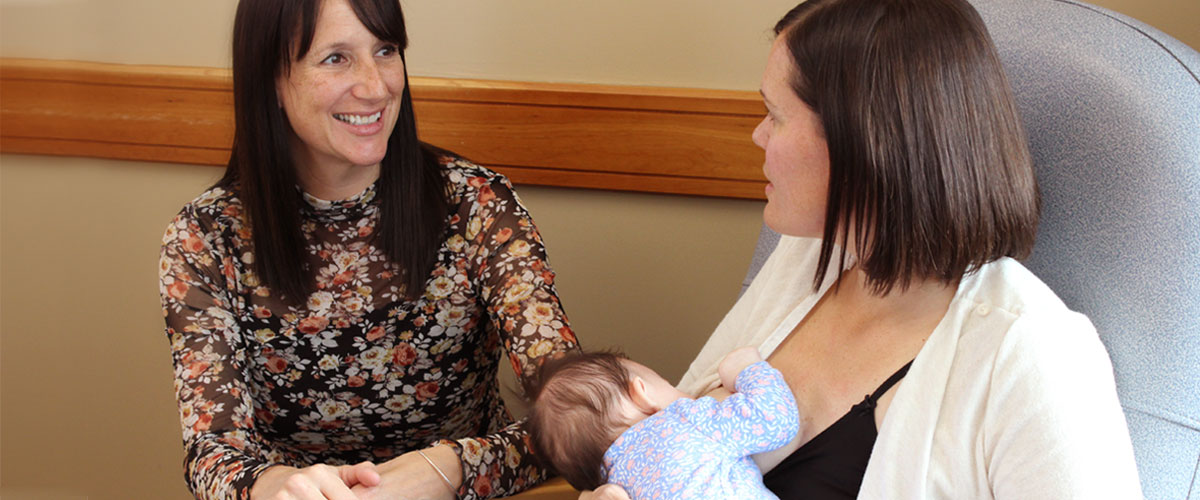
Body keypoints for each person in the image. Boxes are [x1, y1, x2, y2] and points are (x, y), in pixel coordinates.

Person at [586, 0, 1142, 498]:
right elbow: (676, 433)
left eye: (776, 115)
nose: (757, 136)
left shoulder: (1033, 354)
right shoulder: (805, 257)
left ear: (865, 142)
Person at [158, 0, 579, 498]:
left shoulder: (476, 204)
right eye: (336, 58)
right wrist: (280, 488)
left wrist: (443, 470)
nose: (376, 86)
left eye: (385, 50)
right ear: (270, 76)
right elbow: (213, 451)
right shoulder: (204, 237)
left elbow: (572, 410)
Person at [527, 347, 798, 499]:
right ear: (642, 394)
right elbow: (775, 420)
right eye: (668, 384)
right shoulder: (684, 421)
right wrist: (747, 369)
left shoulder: (617, 490)